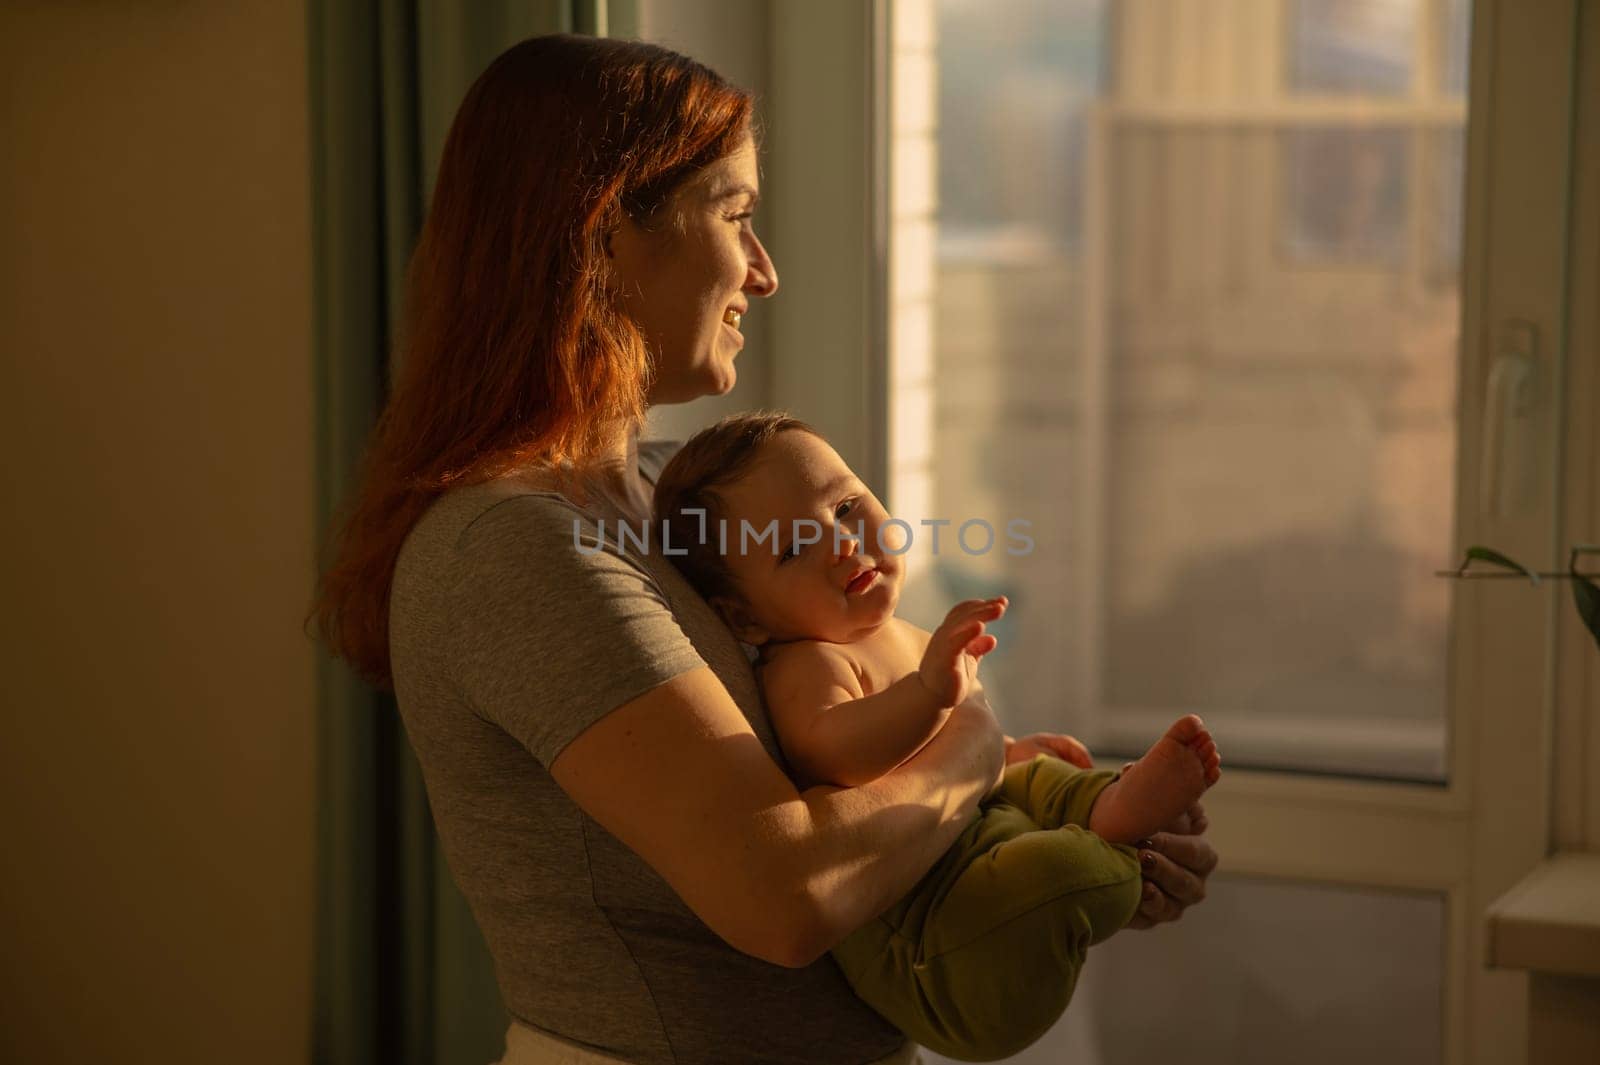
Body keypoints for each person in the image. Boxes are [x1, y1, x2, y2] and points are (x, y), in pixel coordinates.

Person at [310, 33, 1219, 1065]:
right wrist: (970, 748)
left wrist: (1074, 839)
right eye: (735, 216)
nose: (766, 271)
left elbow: (842, 805)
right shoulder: (517, 550)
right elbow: (784, 895)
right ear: (603, 233)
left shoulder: (667, 499)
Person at [649, 412, 1221, 1061]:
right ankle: (1093, 843)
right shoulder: (806, 662)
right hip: (938, 905)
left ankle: (1111, 806)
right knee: (1053, 862)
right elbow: (832, 749)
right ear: (745, 617)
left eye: (844, 505)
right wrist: (928, 693)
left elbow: (958, 749)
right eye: (791, 548)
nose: (840, 543)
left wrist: (1008, 753)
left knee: (1043, 774)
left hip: (973, 820)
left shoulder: (887, 629)